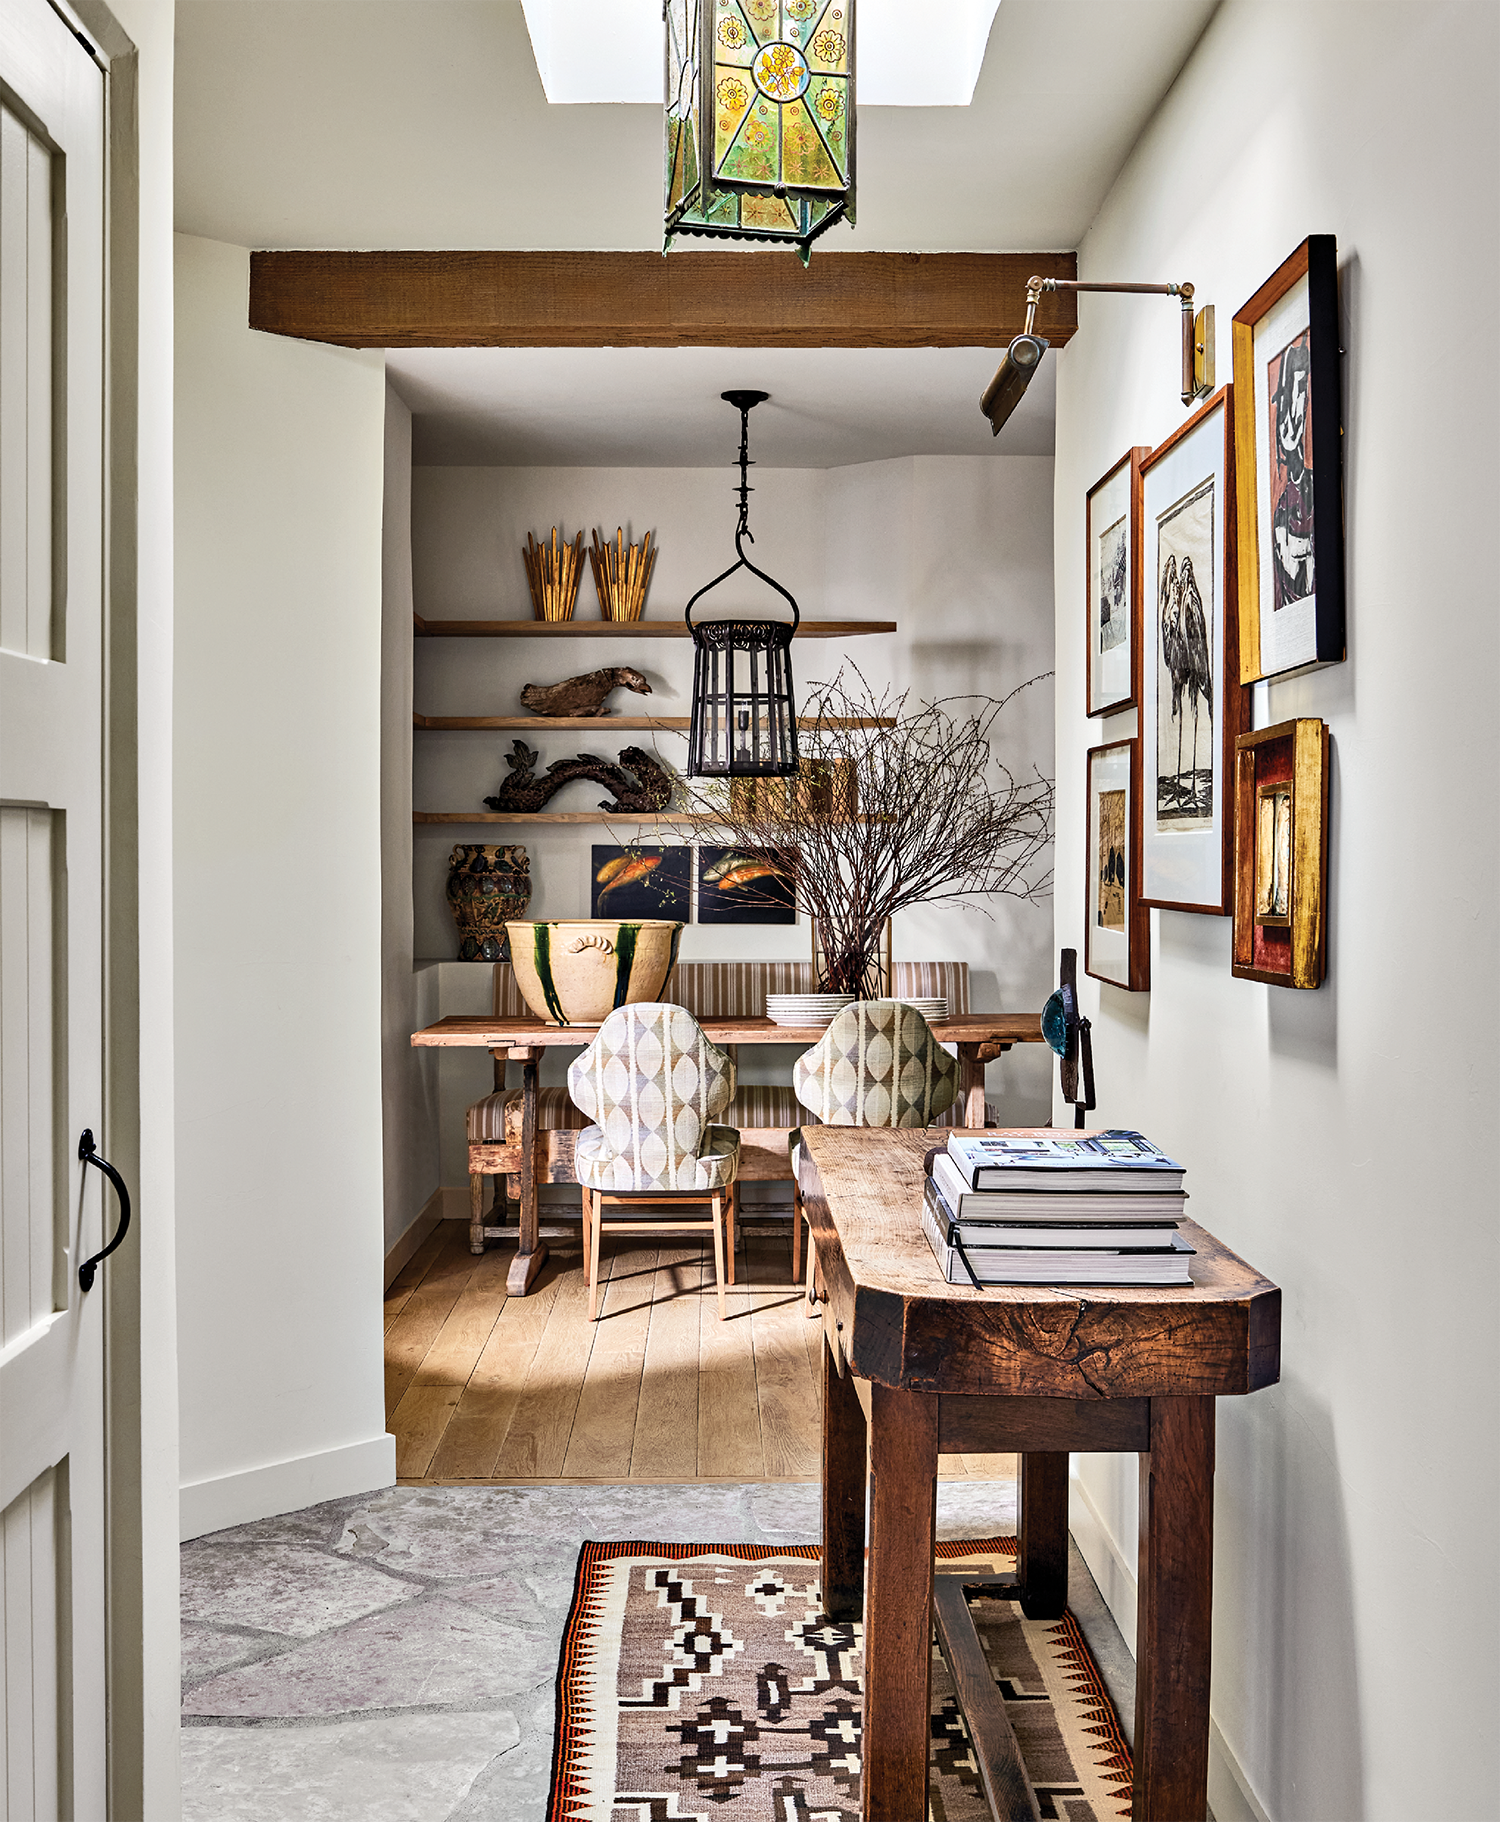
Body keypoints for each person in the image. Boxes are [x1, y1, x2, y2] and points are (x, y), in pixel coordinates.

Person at [1270, 335, 1314, 610]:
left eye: (1302, 394)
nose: (1293, 416)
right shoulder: (1283, 506)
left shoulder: (1308, 491)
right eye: (1288, 399)